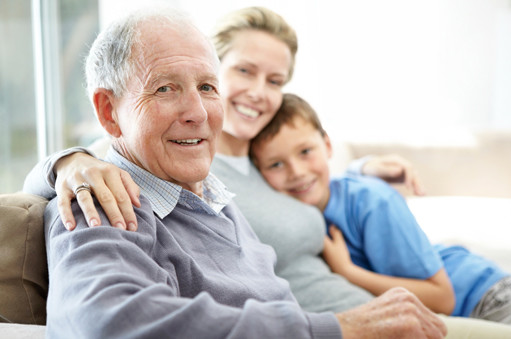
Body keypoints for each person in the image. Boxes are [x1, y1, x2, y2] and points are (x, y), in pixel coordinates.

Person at [24, 6, 511, 338]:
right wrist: (64, 163)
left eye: (207, 86)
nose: (197, 111)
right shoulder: (107, 194)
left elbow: (313, 174)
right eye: (167, 88)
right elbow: (104, 322)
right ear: (110, 113)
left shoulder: (221, 176)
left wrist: (361, 171)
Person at [249, 92, 511, 324]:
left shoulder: (373, 201)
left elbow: (443, 298)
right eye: (276, 165)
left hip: (486, 296)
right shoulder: (288, 216)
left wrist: (349, 272)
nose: (297, 172)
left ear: (327, 146)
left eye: (305, 151)